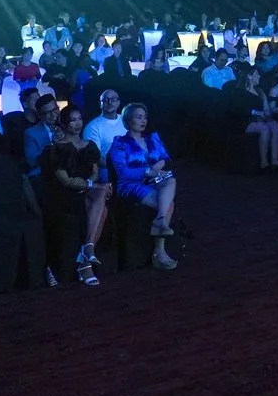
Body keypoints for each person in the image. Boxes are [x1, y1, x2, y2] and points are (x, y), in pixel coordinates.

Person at [38, 105, 107, 286]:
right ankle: (86, 258)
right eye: (73, 120)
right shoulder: (57, 149)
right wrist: (91, 185)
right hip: (64, 194)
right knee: (100, 197)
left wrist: (90, 185)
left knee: (101, 196)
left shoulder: (89, 146)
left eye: (79, 119)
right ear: (65, 122)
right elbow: (66, 181)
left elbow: (94, 172)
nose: (77, 124)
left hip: (86, 190)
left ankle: (87, 251)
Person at [106, 103, 179, 270]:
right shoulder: (120, 143)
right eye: (138, 117)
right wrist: (149, 172)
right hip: (131, 185)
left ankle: (159, 221)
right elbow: (123, 173)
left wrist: (161, 163)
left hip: (154, 180)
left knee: (171, 180)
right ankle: (159, 252)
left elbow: (165, 157)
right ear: (128, 120)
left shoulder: (152, 138)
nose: (143, 120)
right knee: (168, 204)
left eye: (144, 117)